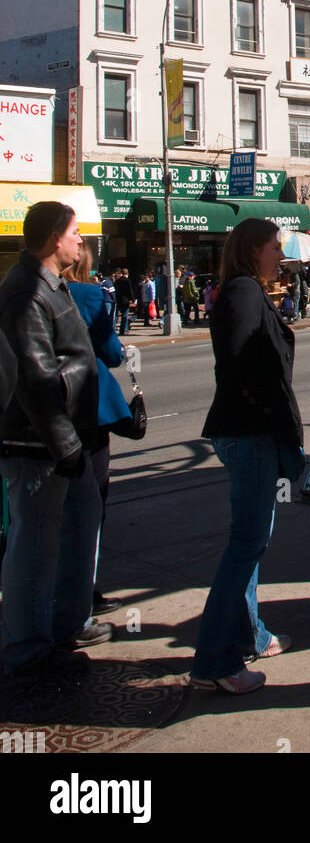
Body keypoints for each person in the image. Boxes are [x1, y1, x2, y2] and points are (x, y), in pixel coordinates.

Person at [190, 219, 304, 695]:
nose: (281, 255)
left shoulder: (248, 291)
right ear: (254, 249)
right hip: (249, 434)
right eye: (275, 247)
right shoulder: (242, 292)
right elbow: (237, 363)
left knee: (251, 541)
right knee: (245, 545)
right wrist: (266, 413)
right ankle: (216, 659)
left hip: (251, 432)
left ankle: (249, 634)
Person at [0, 202, 102, 677]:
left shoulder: (49, 285)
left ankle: (63, 625)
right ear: (52, 239)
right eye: (74, 233)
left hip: (65, 438)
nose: (80, 240)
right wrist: (63, 444)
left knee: (74, 529)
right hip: (38, 444)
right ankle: (28, 649)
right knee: (36, 544)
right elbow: (37, 380)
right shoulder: (24, 292)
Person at [64, 244, 138, 637]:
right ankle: (82, 598)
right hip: (88, 406)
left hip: (44, 413)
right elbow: (109, 351)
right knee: (91, 504)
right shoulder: (90, 295)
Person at [114, 268, 133, 335]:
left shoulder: (117, 281)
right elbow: (130, 291)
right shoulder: (127, 281)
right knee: (124, 315)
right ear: (127, 274)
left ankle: (113, 328)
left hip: (118, 299)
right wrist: (132, 299)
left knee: (116, 315)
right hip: (125, 300)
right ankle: (123, 330)